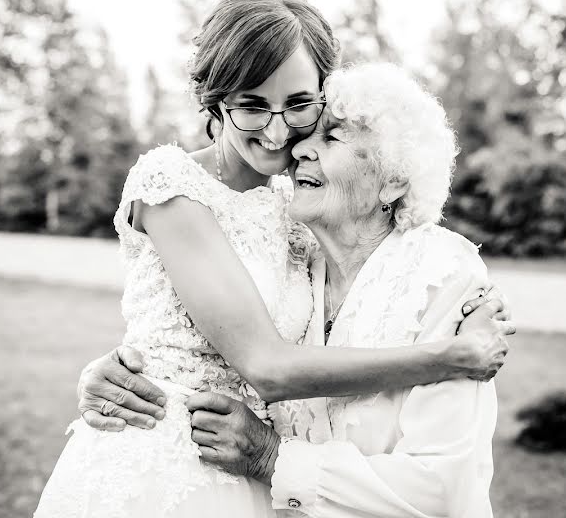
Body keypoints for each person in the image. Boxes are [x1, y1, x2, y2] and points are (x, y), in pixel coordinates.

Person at [34, 0, 512, 518]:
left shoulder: (299, 208)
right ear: (218, 99)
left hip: (261, 475)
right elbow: (263, 363)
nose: (278, 130)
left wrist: (462, 310)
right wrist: (447, 358)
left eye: (299, 105)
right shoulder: (172, 186)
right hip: (167, 459)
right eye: (252, 106)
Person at [180, 63, 501, 516]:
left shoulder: (445, 273)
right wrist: (123, 367)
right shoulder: (292, 265)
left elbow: (439, 489)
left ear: (392, 181)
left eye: (331, 138)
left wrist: (272, 457)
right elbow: (210, 346)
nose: (300, 150)